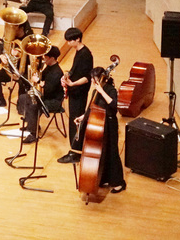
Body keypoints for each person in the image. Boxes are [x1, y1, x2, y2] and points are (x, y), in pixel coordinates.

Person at [74, 67, 128, 193]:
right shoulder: (95, 91)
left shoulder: (110, 90)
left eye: (95, 79)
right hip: (99, 125)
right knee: (102, 153)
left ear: (102, 79)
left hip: (109, 124)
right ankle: (104, 179)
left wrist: (101, 91)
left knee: (112, 152)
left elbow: (114, 106)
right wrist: (82, 117)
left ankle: (118, 182)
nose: (92, 81)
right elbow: (91, 108)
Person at [58, 27, 95, 164]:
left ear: (77, 39)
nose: (68, 43)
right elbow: (75, 70)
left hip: (79, 92)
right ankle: (74, 150)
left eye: (70, 41)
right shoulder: (79, 52)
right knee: (73, 120)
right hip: (75, 91)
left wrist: (72, 84)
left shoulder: (86, 55)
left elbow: (87, 77)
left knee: (76, 121)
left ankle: (75, 152)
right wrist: (67, 75)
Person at [18, 46, 64, 143]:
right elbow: (43, 79)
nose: (43, 58)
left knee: (33, 105)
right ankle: (32, 124)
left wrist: (38, 81)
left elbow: (49, 89)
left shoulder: (57, 72)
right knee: (23, 97)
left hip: (54, 101)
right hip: (45, 96)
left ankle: (33, 134)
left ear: (52, 58)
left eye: (45, 57)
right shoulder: (49, 67)